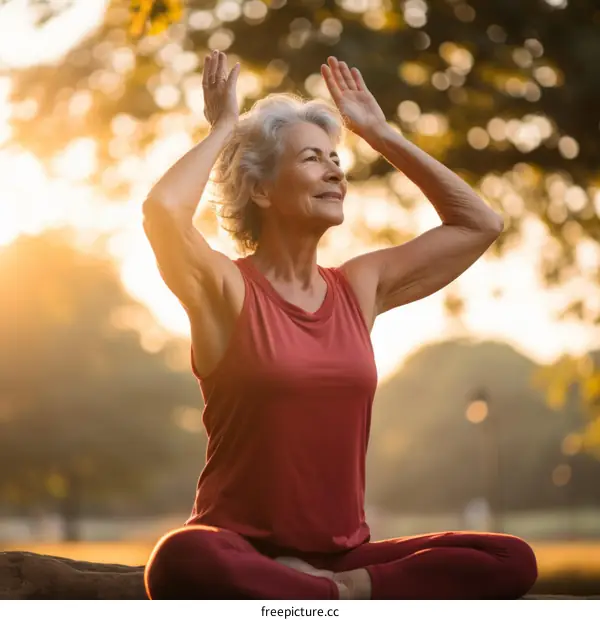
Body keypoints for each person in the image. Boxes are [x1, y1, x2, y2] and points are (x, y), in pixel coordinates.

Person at [142, 50, 537, 600]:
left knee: (507, 556)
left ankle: (330, 593)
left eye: (336, 160)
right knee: (179, 559)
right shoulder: (225, 289)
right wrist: (224, 128)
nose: (334, 171)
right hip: (237, 547)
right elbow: (163, 210)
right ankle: (322, 595)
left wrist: (379, 133)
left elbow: (480, 222)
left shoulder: (359, 286)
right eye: (312, 159)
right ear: (260, 189)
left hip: (343, 556)